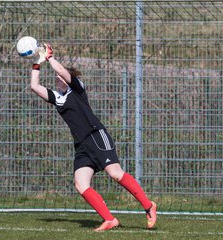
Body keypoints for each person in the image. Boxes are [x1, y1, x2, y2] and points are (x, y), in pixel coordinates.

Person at [29, 44, 157, 231]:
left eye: (60, 76)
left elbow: (63, 72)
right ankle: (110, 219)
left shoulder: (77, 89)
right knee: (81, 184)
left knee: (115, 173)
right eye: (56, 77)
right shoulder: (58, 98)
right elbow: (34, 86)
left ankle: (148, 206)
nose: (57, 78)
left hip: (96, 136)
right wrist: (36, 63)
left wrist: (49, 58)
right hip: (82, 146)